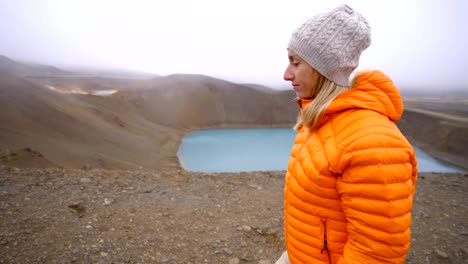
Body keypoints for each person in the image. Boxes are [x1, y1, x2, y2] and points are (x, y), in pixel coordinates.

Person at [277, 4, 418, 264]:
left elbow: (376, 253)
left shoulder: (372, 143)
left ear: (325, 69)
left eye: (296, 63)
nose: (286, 75)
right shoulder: (319, 119)